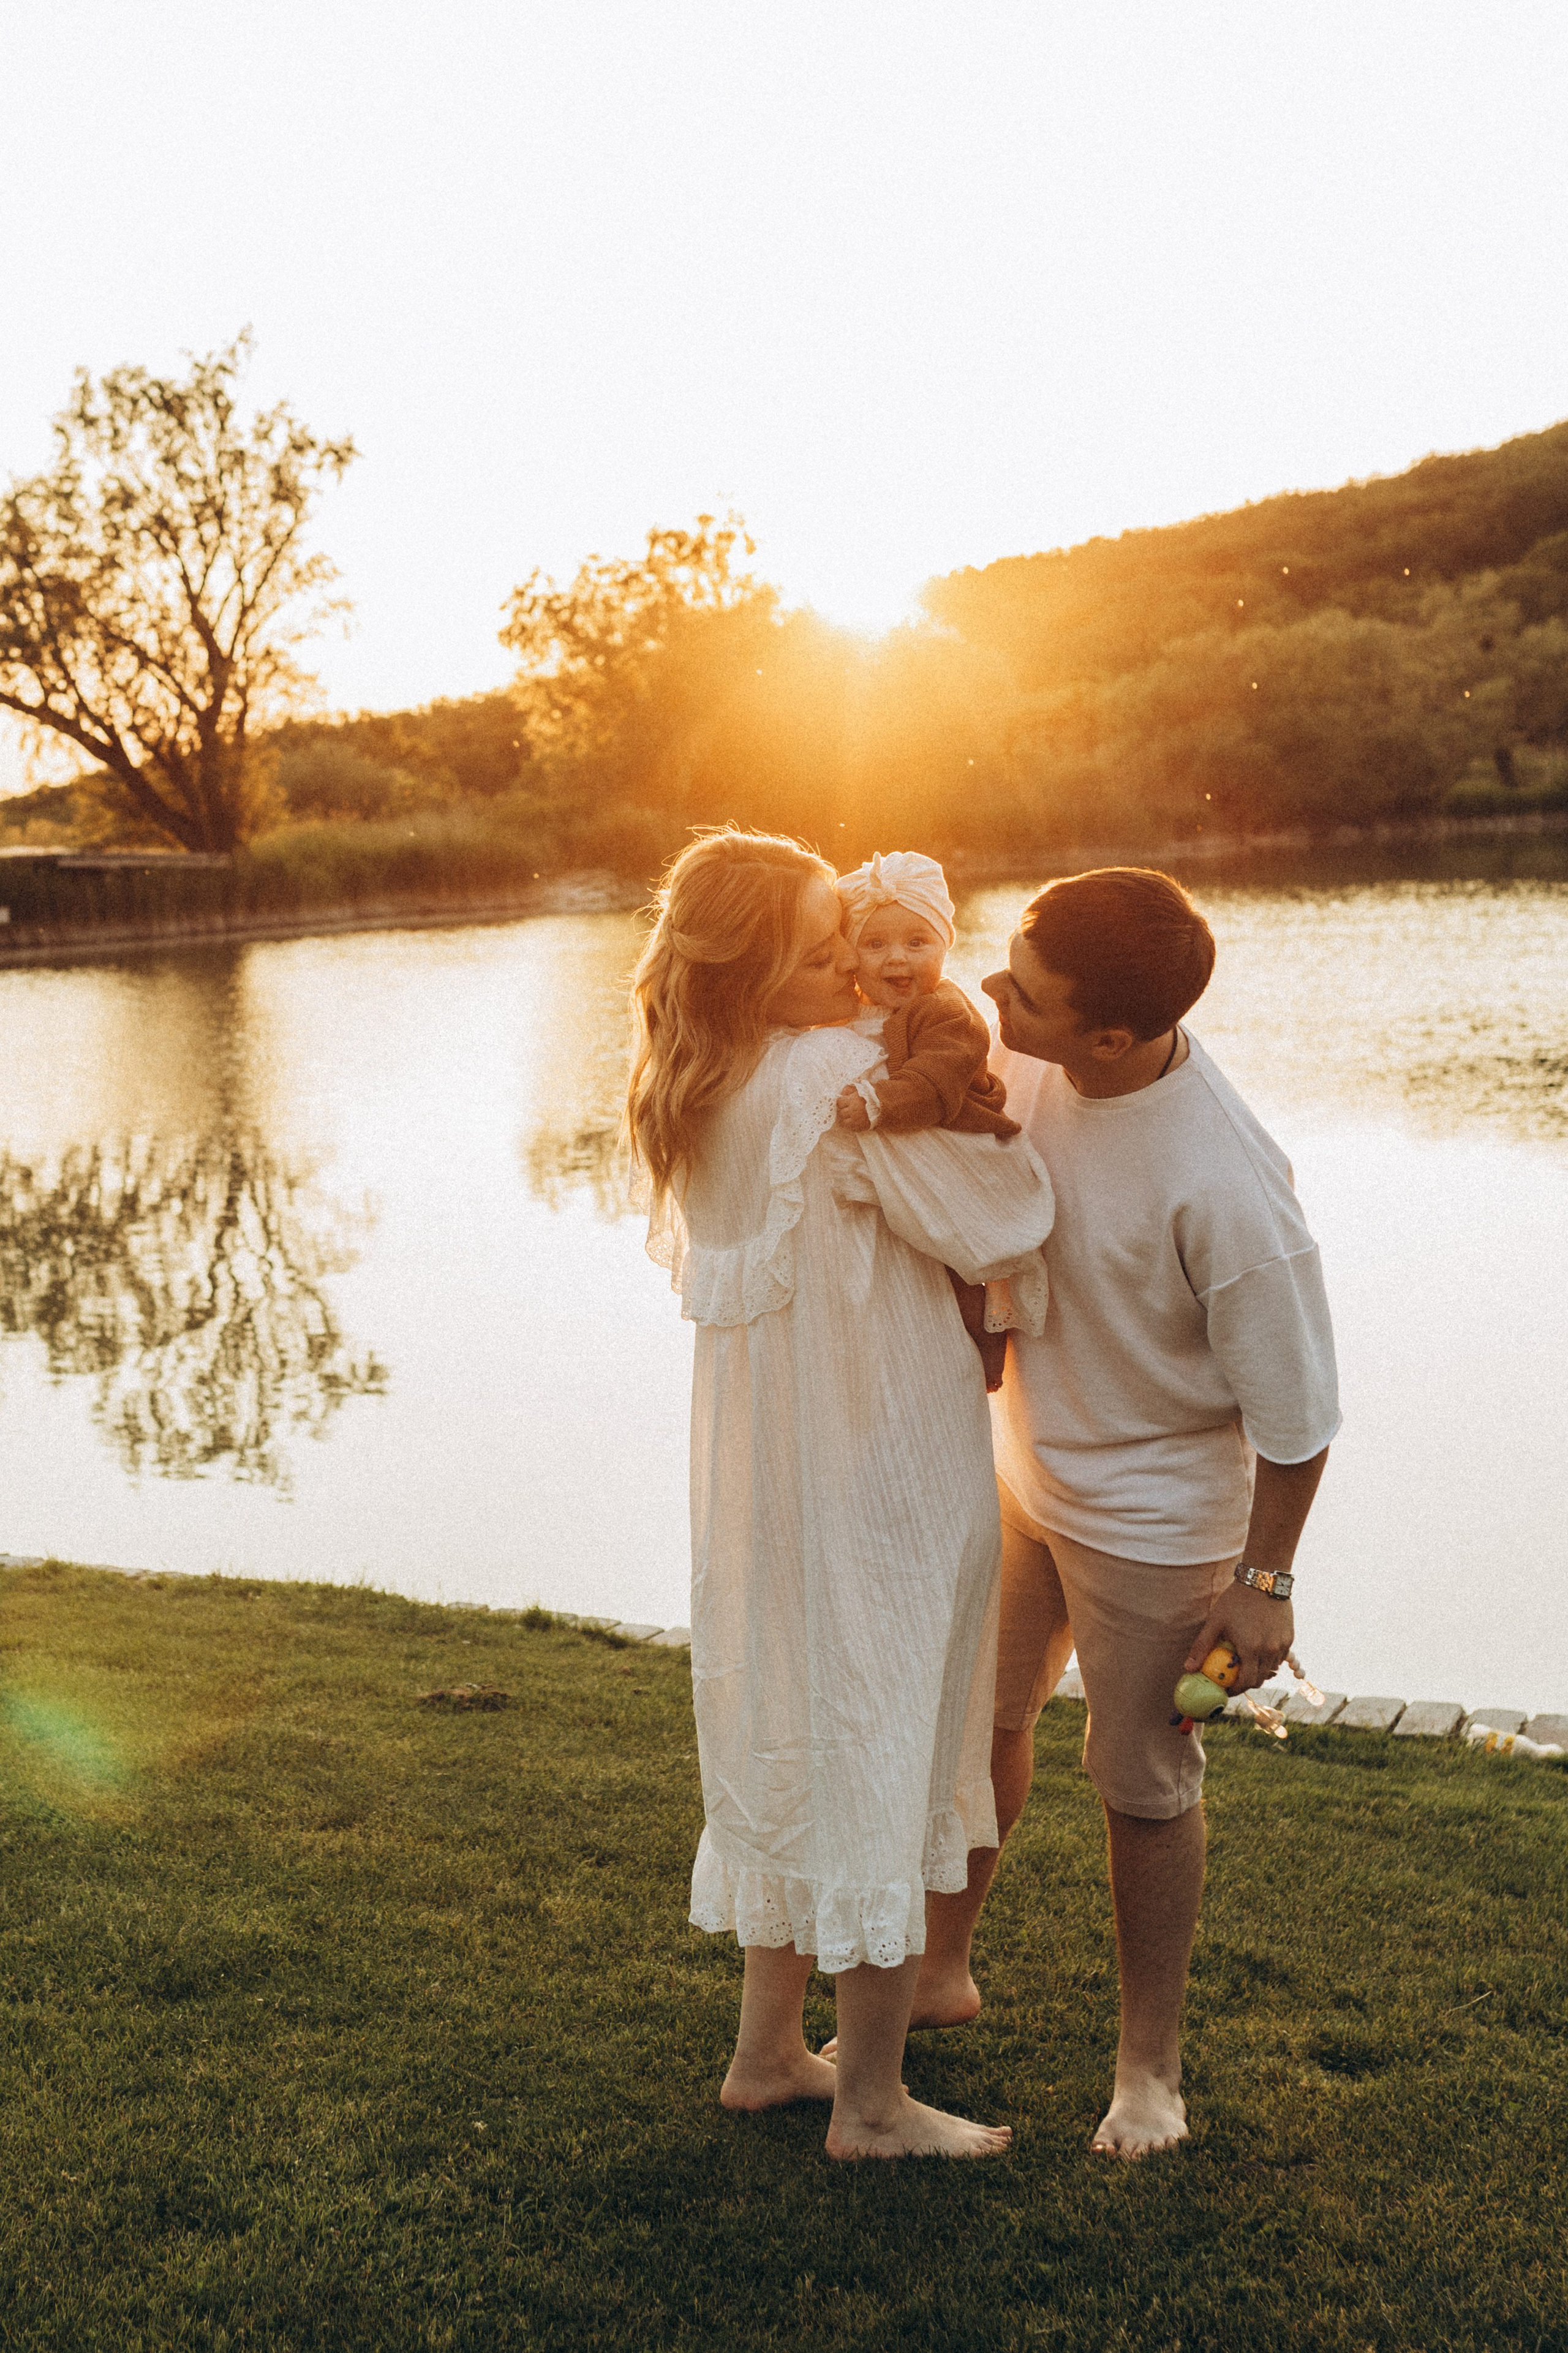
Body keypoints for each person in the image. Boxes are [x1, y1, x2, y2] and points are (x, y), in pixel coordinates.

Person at [628, 828, 1054, 2161]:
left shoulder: (689, 1081)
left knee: (792, 1717)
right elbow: (1001, 1219)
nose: (858, 973)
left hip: (758, 1472)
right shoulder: (828, 1075)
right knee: (887, 1725)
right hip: (878, 1453)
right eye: (825, 950)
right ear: (757, 967)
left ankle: (767, 2053)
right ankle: (871, 2102)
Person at [915, 866, 1340, 2160]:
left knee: (1142, 1781)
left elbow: (1299, 1418)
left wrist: (1260, 1587)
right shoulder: (1025, 1053)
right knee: (979, 1725)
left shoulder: (1228, 1185)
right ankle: (939, 1972)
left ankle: (1147, 2072)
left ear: (1110, 1036)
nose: (993, 992)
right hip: (1019, 1480)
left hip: (1158, 1525)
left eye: (1025, 990)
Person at [831, 850, 1023, 1389]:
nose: (898, 958)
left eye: (918, 942)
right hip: (916, 1155)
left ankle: (987, 1356)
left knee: (964, 1263)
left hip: (963, 1143)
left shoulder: (947, 1011)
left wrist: (878, 1104)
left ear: (945, 945)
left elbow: (934, 1081)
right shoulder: (854, 1010)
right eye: (875, 944)